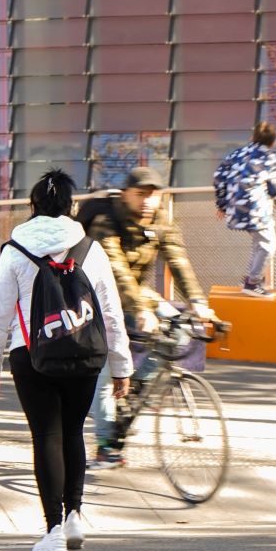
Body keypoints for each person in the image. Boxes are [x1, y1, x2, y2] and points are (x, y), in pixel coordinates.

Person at [0, 170, 133, 551]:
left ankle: (52, 532)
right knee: (73, 432)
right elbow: (110, 311)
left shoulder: (15, 250)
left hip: (31, 355)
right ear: (71, 207)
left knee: (46, 436)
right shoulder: (90, 249)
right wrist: (121, 366)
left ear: (33, 207)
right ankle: (75, 514)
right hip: (83, 352)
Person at [76, 165, 211, 469]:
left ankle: (137, 385)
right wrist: (140, 311)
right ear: (125, 194)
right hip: (93, 296)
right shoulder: (106, 222)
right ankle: (106, 445)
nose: (147, 201)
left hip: (135, 293)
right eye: (140, 194)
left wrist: (198, 302)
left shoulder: (161, 221)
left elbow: (178, 260)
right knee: (105, 373)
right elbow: (117, 272)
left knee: (180, 327)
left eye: (153, 195)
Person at [212, 123, 276, 297]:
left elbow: (219, 177)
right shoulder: (270, 159)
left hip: (236, 207)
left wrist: (222, 203)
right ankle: (253, 283)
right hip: (255, 209)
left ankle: (249, 279)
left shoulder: (236, 154)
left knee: (259, 243)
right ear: (273, 141)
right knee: (268, 245)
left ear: (253, 137)